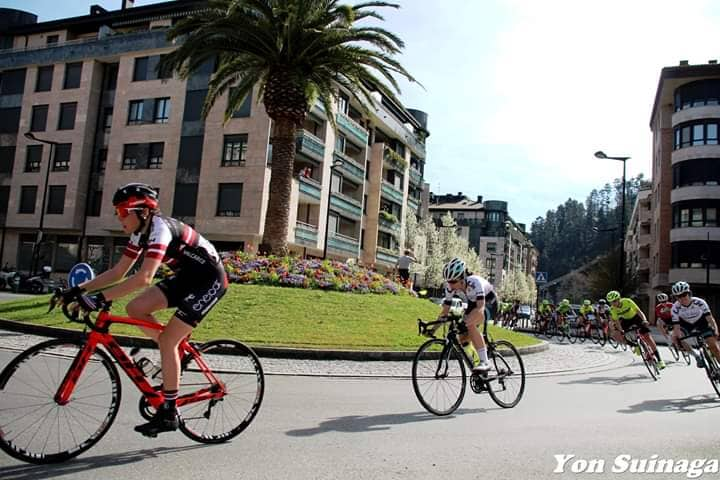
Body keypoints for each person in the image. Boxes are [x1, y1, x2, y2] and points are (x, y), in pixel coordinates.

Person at [58, 183, 228, 436]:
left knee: (169, 339)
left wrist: (97, 299)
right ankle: (171, 363)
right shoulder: (140, 234)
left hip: (210, 281)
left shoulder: (161, 229)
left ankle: (169, 413)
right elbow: (118, 272)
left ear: (143, 211)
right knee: (135, 308)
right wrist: (78, 290)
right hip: (186, 278)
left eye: (122, 211)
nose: (119, 218)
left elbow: (144, 278)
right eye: (117, 212)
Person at [437, 257, 497, 372]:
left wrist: (469, 320)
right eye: (448, 281)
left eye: (453, 281)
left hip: (489, 303)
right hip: (473, 304)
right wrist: (433, 328)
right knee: (462, 337)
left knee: (470, 324)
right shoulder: (450, 288)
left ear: (462, 278)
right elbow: (445, 311)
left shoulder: (474, 282)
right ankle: (476, 364)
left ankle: (485, 362)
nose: (450, 285)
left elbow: (480, 307)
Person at [606, 290, 665, 369]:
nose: (613, 303)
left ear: (619, 299)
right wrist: (621, 331)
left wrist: (644, 320)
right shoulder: (613, 309)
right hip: (626, 321)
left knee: (647, 337)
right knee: (619, 336)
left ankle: (660, 360)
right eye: (611, 302)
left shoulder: (627, 301)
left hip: (636, 318)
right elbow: (617, 322)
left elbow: (639, 311)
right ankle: (635, 346)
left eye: (614, 301)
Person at [669, 281, 720, 369]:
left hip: (701, 322)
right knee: (675, 336)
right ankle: (696, 356)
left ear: (689, 293)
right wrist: (678, 339)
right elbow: (676, 326)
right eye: (678, 296)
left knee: (713, 345)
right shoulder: (675, 308)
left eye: (684, 294)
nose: (682, 298)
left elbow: (710, 319)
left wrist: (715, 330)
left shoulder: (700, 302)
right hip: (686, 324)